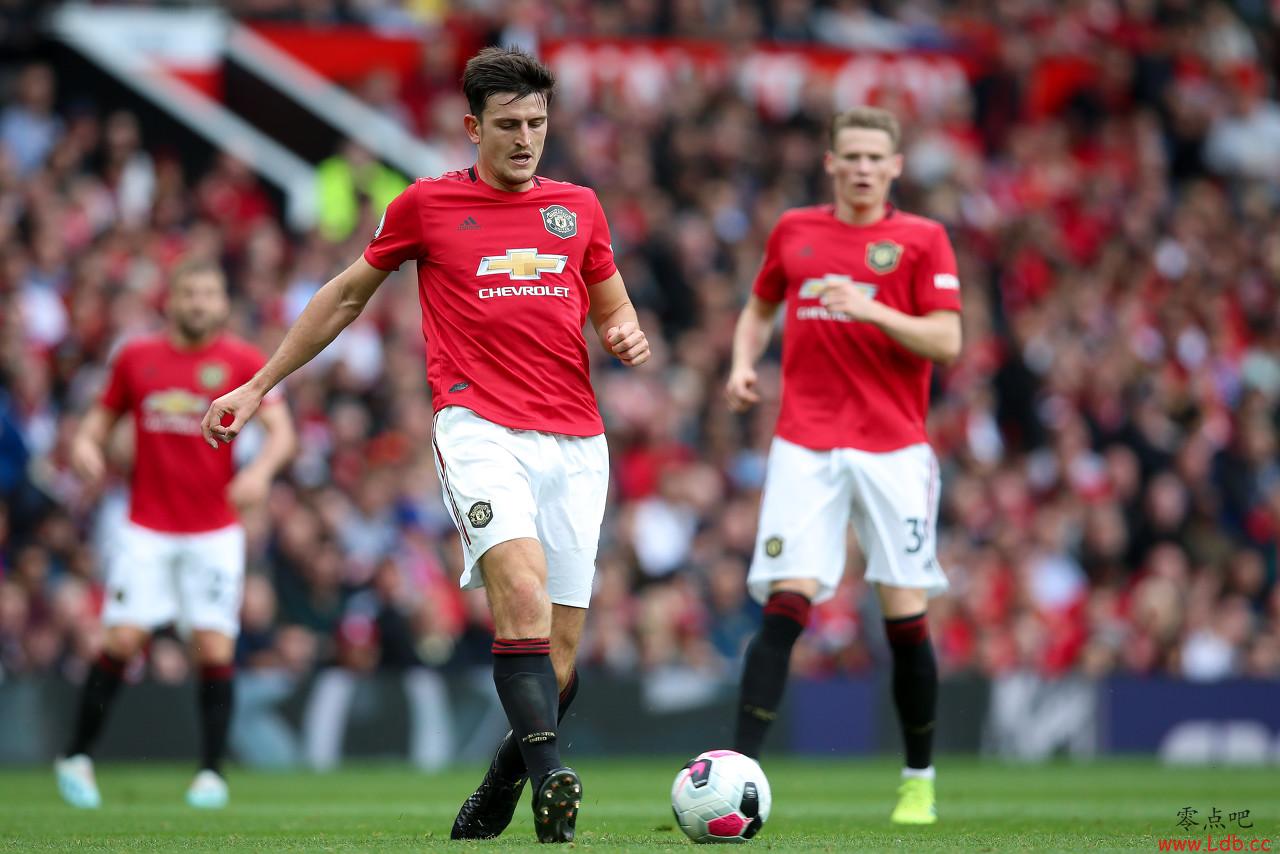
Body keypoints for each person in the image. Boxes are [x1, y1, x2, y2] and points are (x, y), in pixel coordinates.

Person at [199, 47, 650, 844]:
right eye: (508, 125)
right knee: (520, 591)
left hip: (577, 439)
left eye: (537, 123)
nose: (525, 139)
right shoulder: (427, 204)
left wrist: (623, 332)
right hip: (479, 427)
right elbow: (345, 296)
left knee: (561, 660)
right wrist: (259, 384)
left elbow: (612, 305)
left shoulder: (577, 208)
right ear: (473, 128)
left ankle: (499, 789)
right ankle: (553, 783)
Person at [724, 106, 962, 825]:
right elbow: (759, 307)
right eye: (850, 155)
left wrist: (869, 308)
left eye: (874, 157)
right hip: (805, 442)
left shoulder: (922, 239)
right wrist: (742, 363)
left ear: (895, 166)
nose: (862, 167)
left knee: (903, 612)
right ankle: (736, 775)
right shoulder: (794, 230)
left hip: (894, 448)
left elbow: (947, 340)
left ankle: (917, 779)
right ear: (830, 163)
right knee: (784, 603)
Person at [55, 260, 297, 809]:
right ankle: (76, 756)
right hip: (146, 527)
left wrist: (260, 473)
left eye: (208, 293)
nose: (198, 302)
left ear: (223, 302)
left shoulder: (243, 361)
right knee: (122, 640)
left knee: (214, 646)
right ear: (171, 300)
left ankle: (211, 773)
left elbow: (282, 433)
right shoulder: (136, 357)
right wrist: (86, 445)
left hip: (215, 530)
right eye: (189, 293)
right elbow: (99, 419)